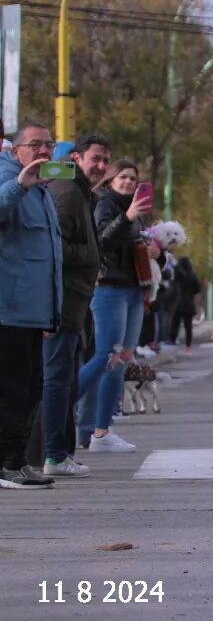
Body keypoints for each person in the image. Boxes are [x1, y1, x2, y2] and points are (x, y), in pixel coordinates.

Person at [38, 134, 110, 477]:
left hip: (74, 301)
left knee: (64, 378)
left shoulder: (80, 190)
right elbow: (55, 247)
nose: (101, 166)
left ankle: (60, 451)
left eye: (105, 160)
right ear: (78, 158)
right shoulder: (67, 191)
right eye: (96, 158)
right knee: (56, 379)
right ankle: (54, 453)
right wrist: (89, 258)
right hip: (62, 300)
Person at [0, 123, 62, 489]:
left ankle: (17, 461)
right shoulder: (12, 180)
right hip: (8, 309)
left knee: (30, 389)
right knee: (12, 391)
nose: (43, 152)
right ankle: (6, 464)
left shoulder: (42, 189)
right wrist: (18, 185)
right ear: (15, 148)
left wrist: (50, 311)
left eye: (48, 145)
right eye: (35, 144)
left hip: (32, 311)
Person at [75, 160, 152, 452]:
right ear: (110, 181)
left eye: (134, 178)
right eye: (123, 177)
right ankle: (52, 411)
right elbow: (101, 241)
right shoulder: (105, 204)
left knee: (120, 360)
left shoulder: (136, 210)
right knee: (105, 355)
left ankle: (101, 431)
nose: (129, 182)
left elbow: (132, 246)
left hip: (133, 289)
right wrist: (128, 217)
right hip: (109, 289)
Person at [170, 256, 201, 354]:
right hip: (189, 303)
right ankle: (188, 347)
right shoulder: (192, 275)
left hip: (178, 302)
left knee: (175, 324)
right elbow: (197, 291)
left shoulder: (177, 275)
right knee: (188, 327)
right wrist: (196, 303)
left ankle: (172, 343)